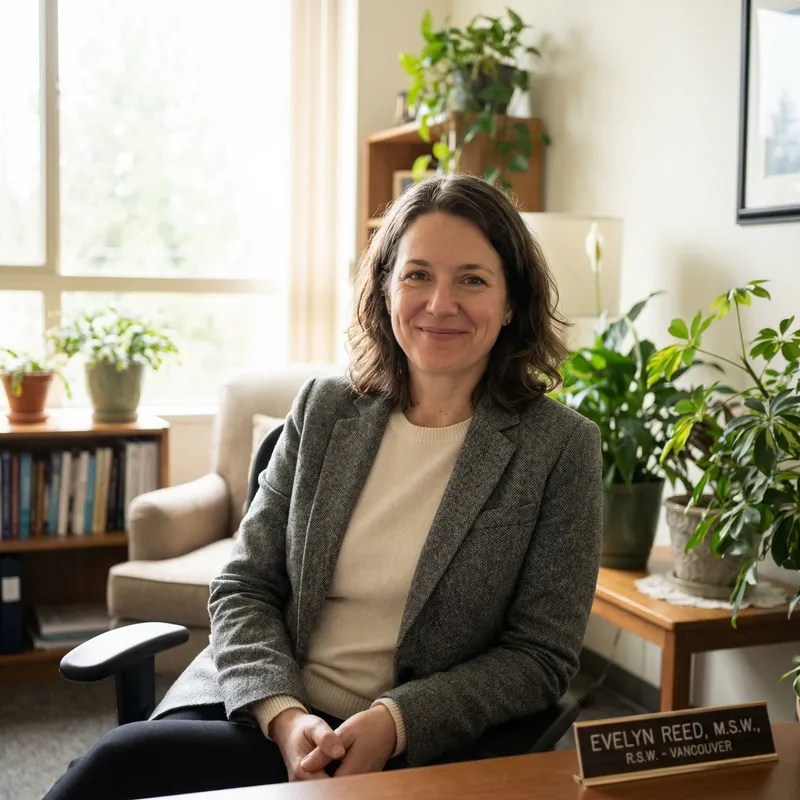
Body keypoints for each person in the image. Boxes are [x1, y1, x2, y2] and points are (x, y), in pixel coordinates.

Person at [46, 173, 603, 799]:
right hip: (263, 713)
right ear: (386, 289)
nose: (440, 303)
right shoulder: (325, 408)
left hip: (417, 746)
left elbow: (539, 656)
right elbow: (245, 584)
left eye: (471, 279)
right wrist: (284, 714)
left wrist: (396, 722)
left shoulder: (560, 447)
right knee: (113, 769)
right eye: (417, 274)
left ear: (511, 304)